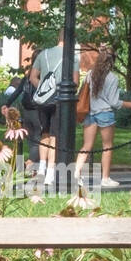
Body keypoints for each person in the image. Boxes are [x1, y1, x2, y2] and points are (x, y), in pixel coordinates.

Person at [74, 48, 131, 188]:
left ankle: (76, 173)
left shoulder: (90, 74)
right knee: (107, 146)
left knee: (87, 146)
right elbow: (114, 102)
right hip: (105, 113)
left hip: (90, 113)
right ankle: (105, 178)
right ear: (112, 62)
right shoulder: (112, 78)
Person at [30, 35, 79, 187]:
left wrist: (45, 90)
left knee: (44, 133)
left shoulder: (43, 53)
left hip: (43, 101)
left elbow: (33, 77)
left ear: (58, 37)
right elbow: (75, 82)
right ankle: (50, 173)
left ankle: (41, 169)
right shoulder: (72, 58)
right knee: (55, 135)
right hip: (60, 102)